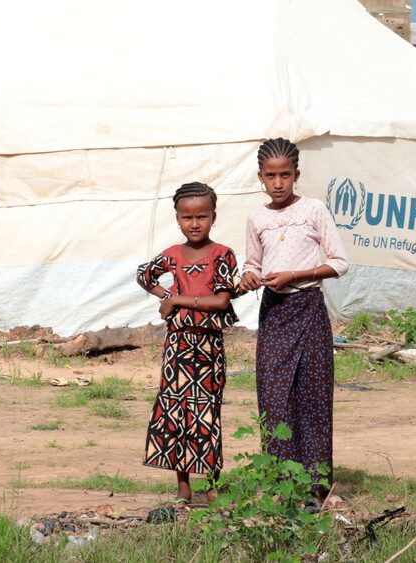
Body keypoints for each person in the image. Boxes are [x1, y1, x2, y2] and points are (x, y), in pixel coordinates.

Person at [239, 138, 348, 499]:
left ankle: (316, 485)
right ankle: (280, 484)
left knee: (313, 394)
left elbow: (339, 262)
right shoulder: (257, 218)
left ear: (297, 174)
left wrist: (296, 275)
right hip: (274, 311)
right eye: (271, 176)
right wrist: (249, 277)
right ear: (260, 177)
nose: (279, 183)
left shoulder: (314, 210)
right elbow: (253, 263)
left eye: (285, 174)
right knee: (273, 397)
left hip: (309, 308)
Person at [136, 182, 240, 505]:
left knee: (207, 413)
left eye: (202, 217)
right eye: (186, 217)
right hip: (178, 345)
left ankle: (211, 486)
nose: (194, 224)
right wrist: (165, 297)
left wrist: (175, 299)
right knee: (176, 411)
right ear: (178, 218)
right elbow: (144, 275)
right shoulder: (172, 255)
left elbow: (222, 301)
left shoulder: (223, 255)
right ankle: (183, 487)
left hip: (208, 347)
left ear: (214, 217)